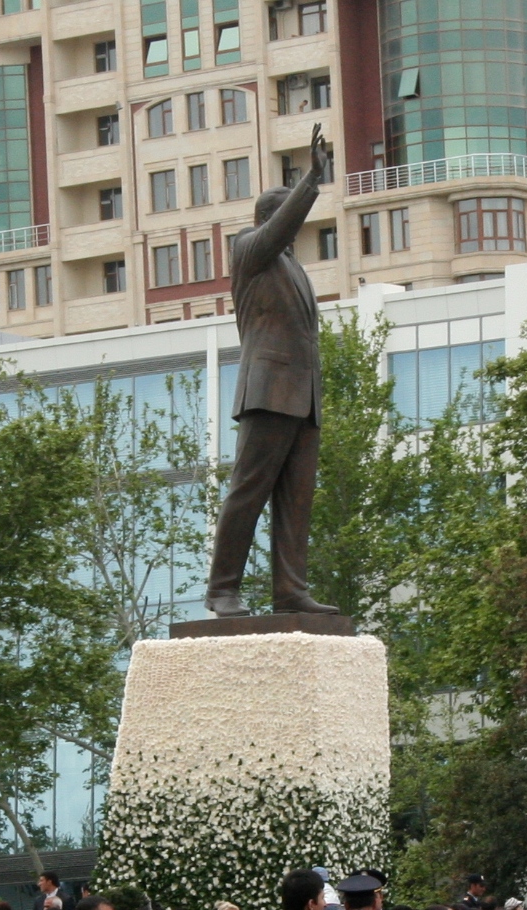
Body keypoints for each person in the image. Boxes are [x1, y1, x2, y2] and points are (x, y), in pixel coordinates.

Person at [203, 122, 336, 619]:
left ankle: (290, 589)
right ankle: (222, 590)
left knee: (296, 499)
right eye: (286, 220)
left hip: (304, 398)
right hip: (268, 390)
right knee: (249, 489)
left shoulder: (293, 267)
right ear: (271, 219)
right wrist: (311, 183)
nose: (293, 231)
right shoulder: (248, 251)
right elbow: (280, 228)